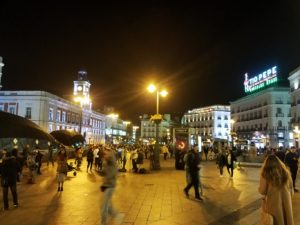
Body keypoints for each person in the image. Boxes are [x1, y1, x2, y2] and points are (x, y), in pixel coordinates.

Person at [258, 155, 294, 225]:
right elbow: (291, 191)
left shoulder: (265, 173)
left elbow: (262, 191)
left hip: (273, 205)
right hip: (287, 204)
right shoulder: (286, 172)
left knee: (276, 221)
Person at [100, 147, 124, 225]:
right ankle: (117, 215)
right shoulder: (106, 163)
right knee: (108, 206)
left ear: (110, 155)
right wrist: (97, 172)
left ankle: (104, 223)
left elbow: (111, 175)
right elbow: (104, 173)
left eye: (106, 154)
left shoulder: (113, 164)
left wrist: (105, 182)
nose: (104, 155)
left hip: (110, 187)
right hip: (106, 186)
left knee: (104, 207)